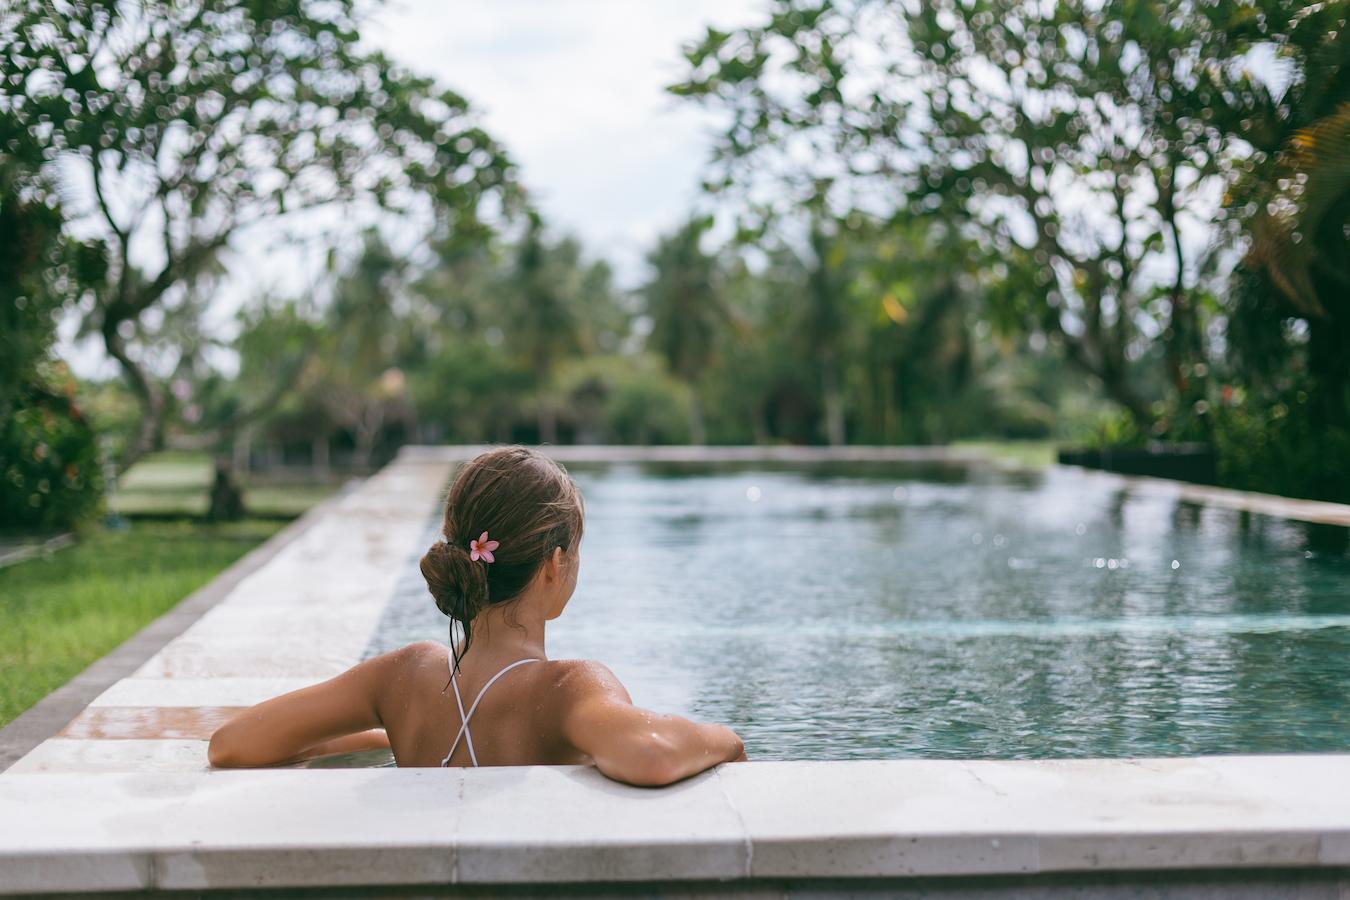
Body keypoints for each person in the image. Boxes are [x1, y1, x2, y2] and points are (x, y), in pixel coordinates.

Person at [208, 444, 747, 785]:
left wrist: (377, 734)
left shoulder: (403, 678)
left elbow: (231, 743)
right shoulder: (566, 688)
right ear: (556, 564)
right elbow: (649, 753)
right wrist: (727, 737)